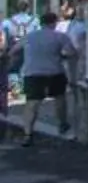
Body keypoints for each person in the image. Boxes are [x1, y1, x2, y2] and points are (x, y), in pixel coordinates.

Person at [9, 9, 77, 146]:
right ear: (54, 23)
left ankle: (28, 133)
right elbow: (71, 53)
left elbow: (14, 51)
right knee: (59, 99)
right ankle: (62, 124)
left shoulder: (29, 36)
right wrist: (61, 56)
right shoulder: (60, 36)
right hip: (54, 71)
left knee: (32, 103)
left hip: (32, 72)